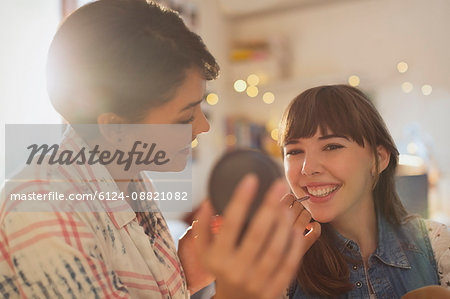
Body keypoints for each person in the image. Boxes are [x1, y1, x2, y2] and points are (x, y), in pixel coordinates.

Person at [0, 1, 320, 298]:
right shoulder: (44, 211)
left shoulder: (132, 181)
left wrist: (185, 275)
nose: (202, 127)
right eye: (184, 117)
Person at [278, 85, 450, 298]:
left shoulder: (438, 245)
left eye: (331, 146)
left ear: (379, 158)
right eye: (294, 151)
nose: (307, 168)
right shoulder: (279, 266)